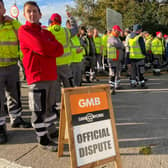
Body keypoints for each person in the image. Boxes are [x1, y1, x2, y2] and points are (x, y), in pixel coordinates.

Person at [18, 1, 64, 151]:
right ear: (24, 15)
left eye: (34, 11)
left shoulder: (47, 32)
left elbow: (60, 50)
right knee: (38, 111)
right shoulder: (24, 31)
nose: (32, 14)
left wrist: (46, 46)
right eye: (29, 11)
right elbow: (41, 47)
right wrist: (48, 46)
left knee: (50, 107)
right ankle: (43, 139)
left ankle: (51, 130)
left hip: (51, 76)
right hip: (36, 77)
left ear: (40, 14)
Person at [0, 0, 32, 144]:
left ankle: (16, 119)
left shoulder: (12, 24)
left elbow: (23, 34)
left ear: (3, 9)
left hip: (12, 66)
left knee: (14, 94)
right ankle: (1, 127)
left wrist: (14, 21)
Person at [48, 12, 78, 110]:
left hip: (52, 66)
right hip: (65, 65)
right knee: (68, 85)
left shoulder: (47, 31)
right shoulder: (66, 31)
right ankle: (72, 106)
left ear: (51, 22)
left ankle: (56, 109)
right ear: (60, 22)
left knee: (55, 88)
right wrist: (71, 18)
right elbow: (75, 29)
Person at [128, 24, 147, 88]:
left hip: (132, 57)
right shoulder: (139, 37)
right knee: (140, 71)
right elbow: (143, 48)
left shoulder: (130, 37)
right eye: (141, 29)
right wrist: (145, 54)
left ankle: (133, 83)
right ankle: (142, 84)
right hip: (139, 57)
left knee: (133, 71)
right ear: (139, 30)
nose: (141, 30)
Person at [66, 20, 84, 86]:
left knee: (78, 80)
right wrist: (75, 50)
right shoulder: (67, 37)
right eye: (70, 25)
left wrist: (81, 50)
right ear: (67, 26)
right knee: (72, 81)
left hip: (78, 60)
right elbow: (67, 48)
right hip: (71, 61)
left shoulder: (76, 37)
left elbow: (79, 46)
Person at [107, 25, 124, 91]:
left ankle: (117, 85)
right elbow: (117, 44)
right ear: (114, 30)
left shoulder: (117, 37)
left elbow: (120, 45)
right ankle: (111, 87)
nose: (119, 32)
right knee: (113, 73)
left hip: (117, 58)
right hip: (113, 58)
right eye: (118, 31)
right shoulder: (111, 37)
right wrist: (122, 44)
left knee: (118, 73)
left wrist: (121, 45)